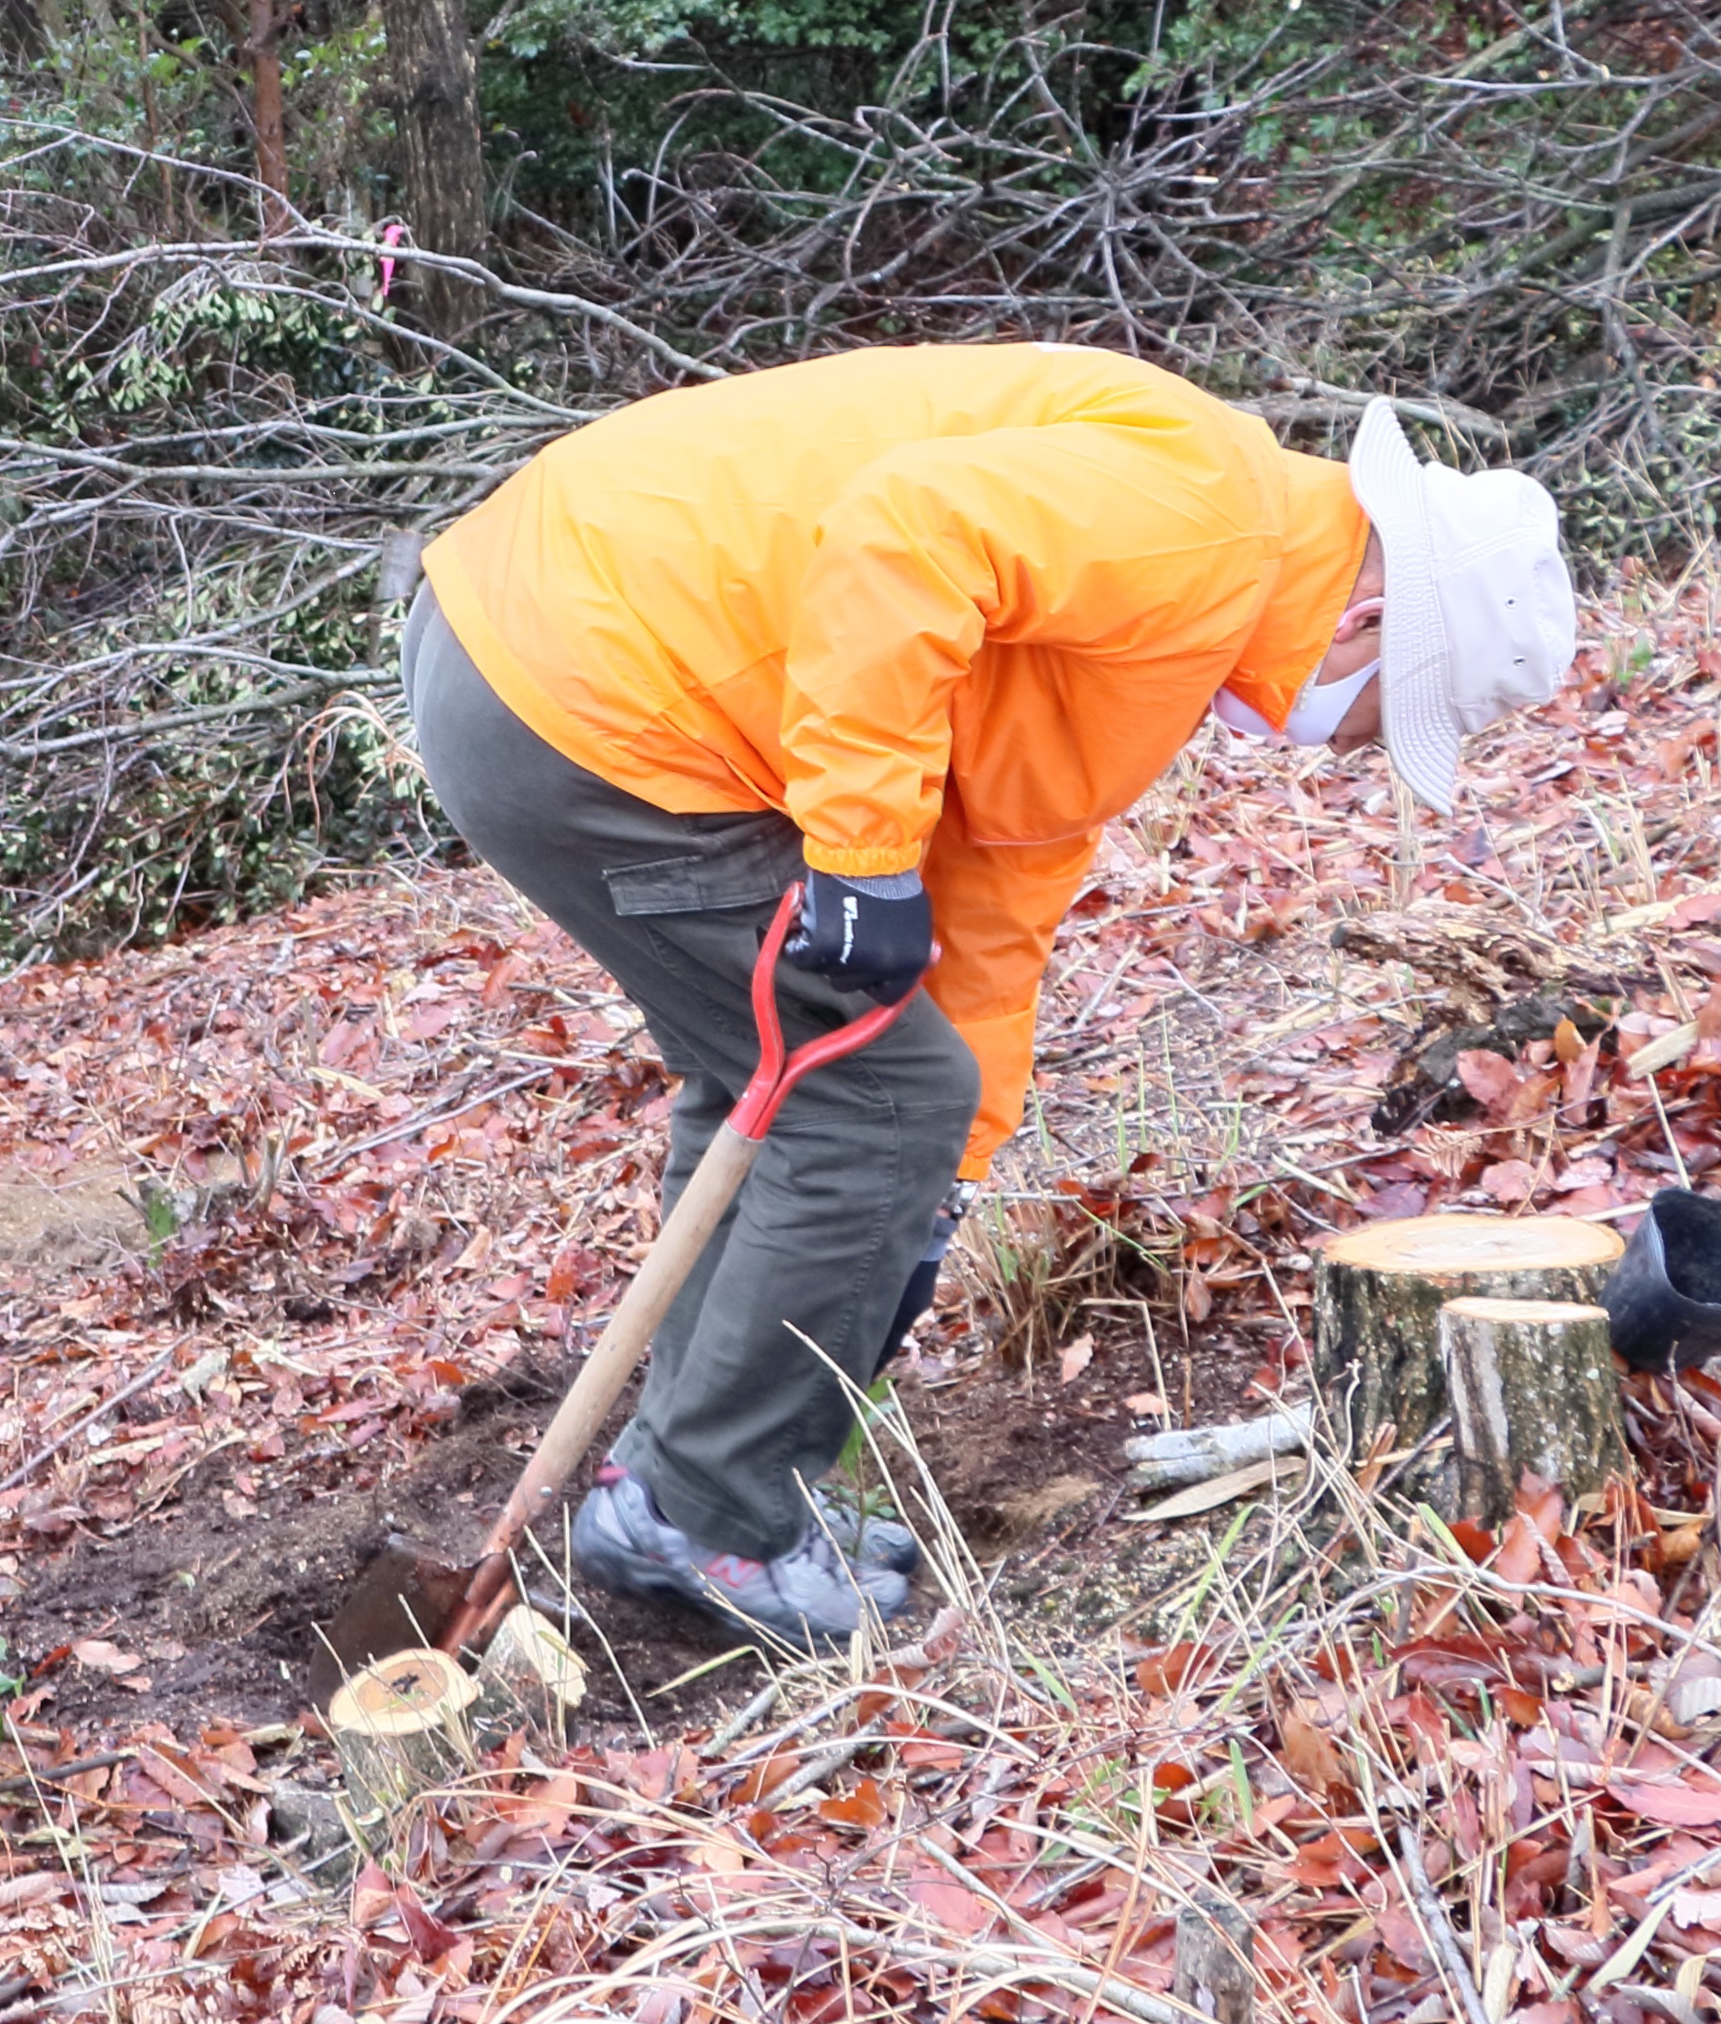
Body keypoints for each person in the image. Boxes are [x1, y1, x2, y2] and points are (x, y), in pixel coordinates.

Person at [408, 347, 1570, 1648]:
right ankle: (709, 1514)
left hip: (551, 651)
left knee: (820, 1083)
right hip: (591, 681)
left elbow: (1004, 888)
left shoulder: (1187, 614)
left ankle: (681, 1471)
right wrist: (858, 854)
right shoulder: (1202, 519)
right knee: (865, 1095)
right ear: (1364, 628)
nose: (1342, 753)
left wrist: (933, 1193)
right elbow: (904, 536)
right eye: (1372, 727)